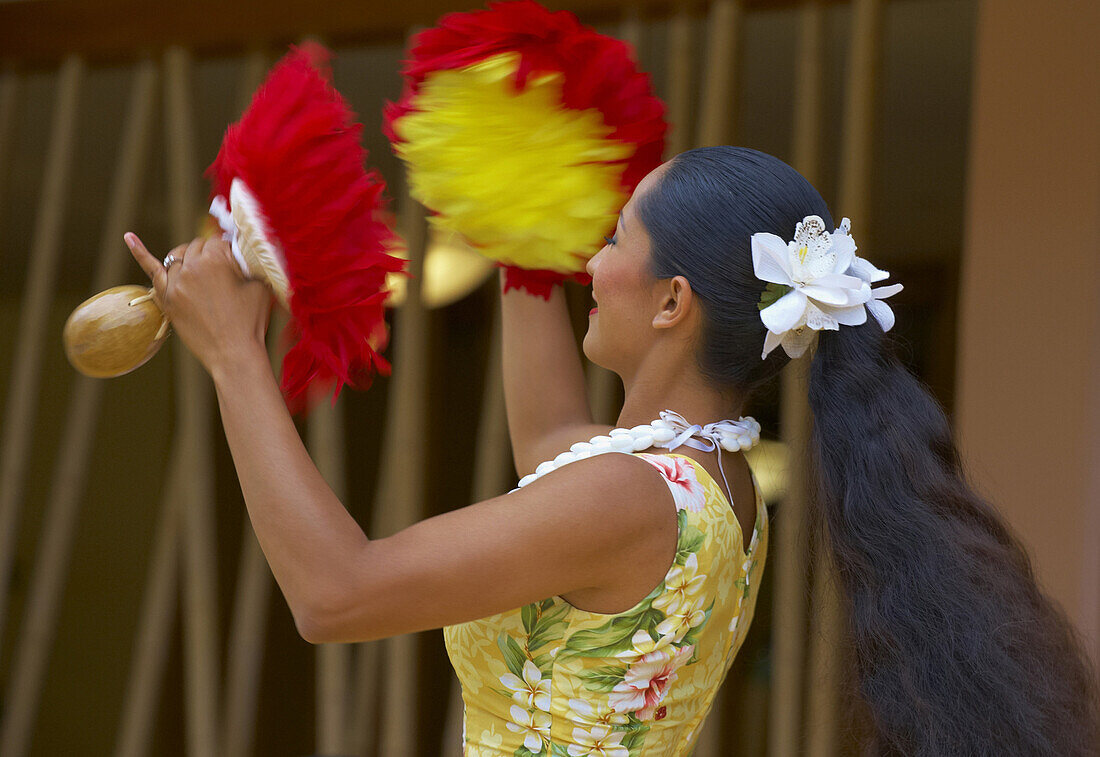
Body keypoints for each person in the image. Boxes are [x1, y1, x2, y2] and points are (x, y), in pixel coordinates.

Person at [126, 146, 1100, 756]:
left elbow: (335, 594)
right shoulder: (700, 481)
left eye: (615, 237)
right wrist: (510, 215)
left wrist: (232, 355)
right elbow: (552, 440)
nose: (590, 261)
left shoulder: (631, 497)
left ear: (672, 301)